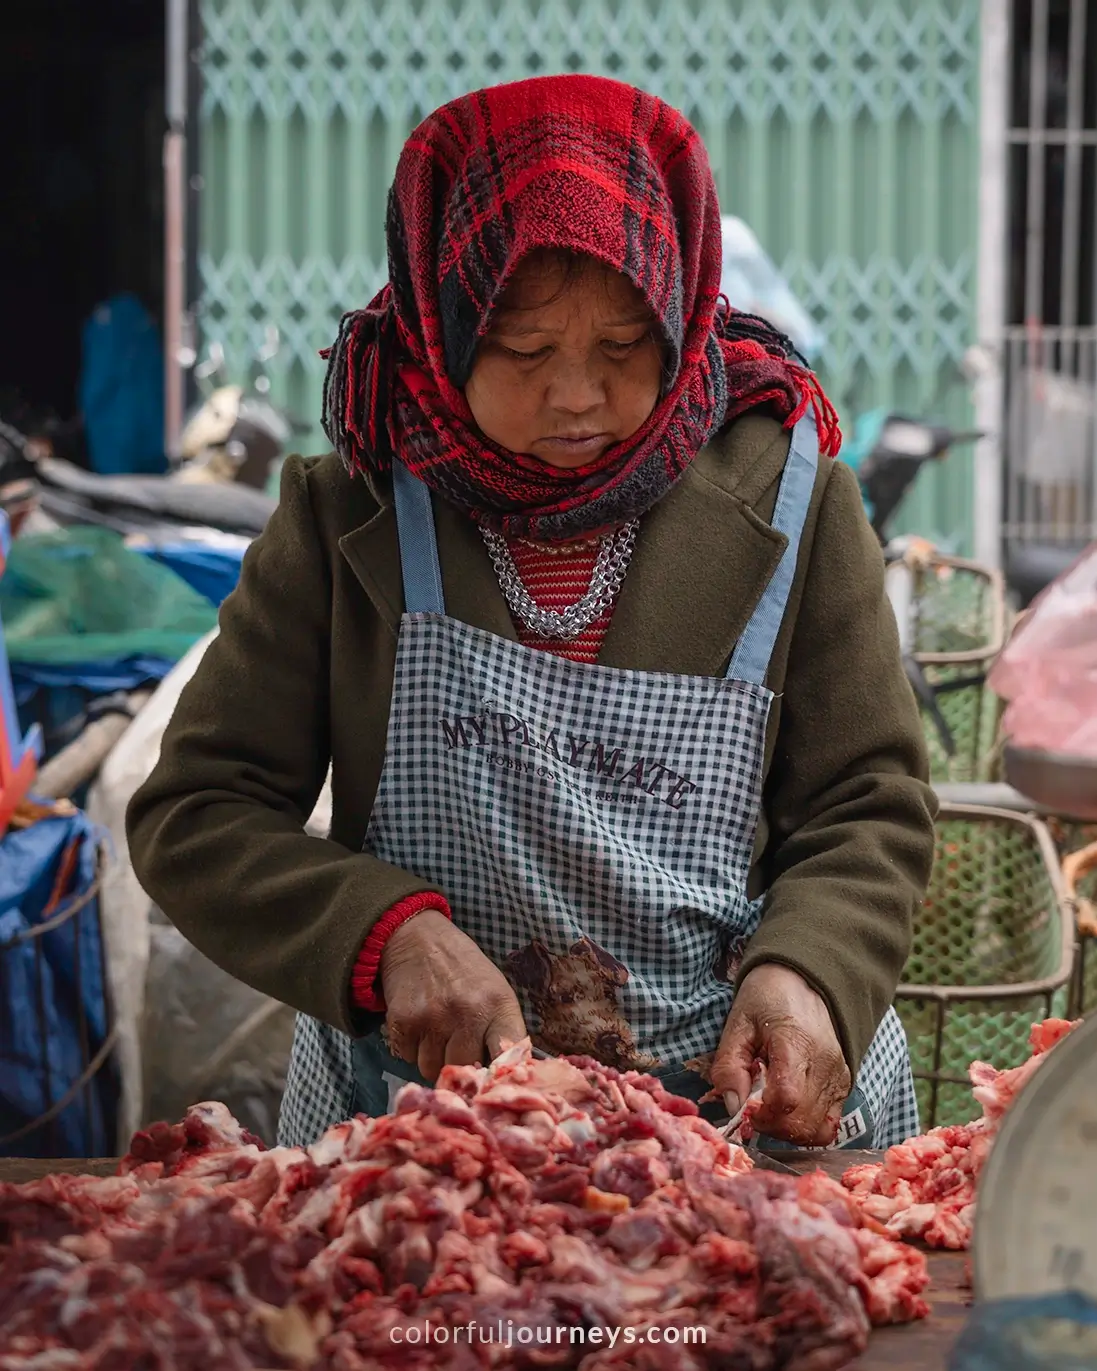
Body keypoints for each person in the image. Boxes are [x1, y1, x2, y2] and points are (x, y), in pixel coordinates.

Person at [126, 73, 937, 1152]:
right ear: (444, 319)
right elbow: (199, 811)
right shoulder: (350, 510)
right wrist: (383, 936)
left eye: (620, 348)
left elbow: (866, 803)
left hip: (743, 1121)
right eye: (521, 349)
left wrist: (808, 970)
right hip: (425, 1129)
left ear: (682, 307)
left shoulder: (794, 503)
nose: (576, 397)